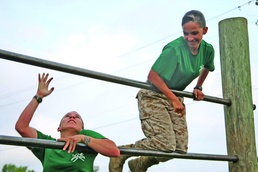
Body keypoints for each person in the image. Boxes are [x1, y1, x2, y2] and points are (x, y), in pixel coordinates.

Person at [109, 10, 215, 172]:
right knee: (165, 144)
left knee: (179, 149)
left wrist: (198, 86)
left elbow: (207, 67)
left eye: (195, 33)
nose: (190, 38)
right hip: (154, 95)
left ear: (204, 31)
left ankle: (140, 164)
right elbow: (153, 76)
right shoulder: (174, 49)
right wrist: (173, 98)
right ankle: (122, 152)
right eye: (186, 33)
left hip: (175, 96)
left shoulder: (208, 50)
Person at [15, 73, 120, 172]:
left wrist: (82, 138)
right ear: (59, 127)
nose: (72, 117)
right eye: (67, 116)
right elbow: (21, 127)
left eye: (77, 117)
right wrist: (38, 96)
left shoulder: (86, 135)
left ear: (82, 128)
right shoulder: (48, 144)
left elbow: (114, 151)